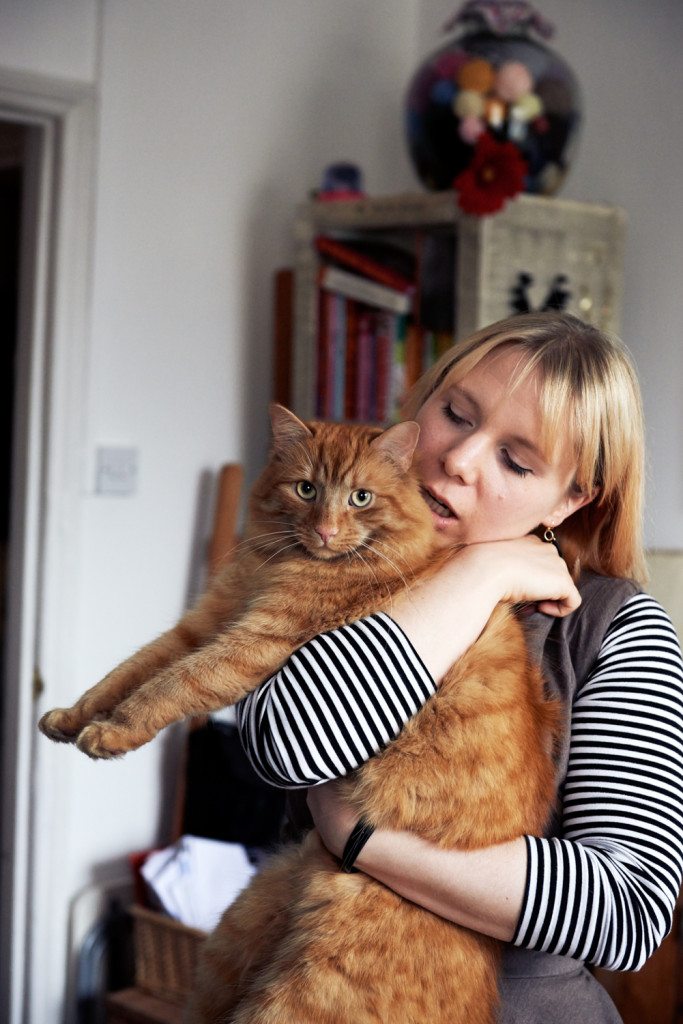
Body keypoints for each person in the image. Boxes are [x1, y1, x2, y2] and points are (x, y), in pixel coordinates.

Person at [236, 312, 683, 1022]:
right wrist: (477, 576)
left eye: (516, 461)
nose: (460, 460)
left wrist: (363, 838)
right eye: (455, 414)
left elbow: (627, 912)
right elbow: (281, 742)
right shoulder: (331, 559)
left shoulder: (611, 626)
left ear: (571, 498)